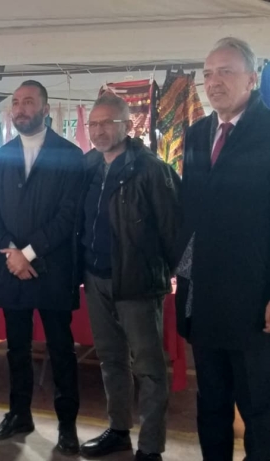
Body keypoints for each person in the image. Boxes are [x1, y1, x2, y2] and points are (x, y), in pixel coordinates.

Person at [177, 37, 270, 461]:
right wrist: (181, 275)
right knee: (211, 405)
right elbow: (191, 213)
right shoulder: (197, 135)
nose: (213, 82)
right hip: (204, 299)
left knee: (256, 409)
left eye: (226, 71)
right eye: (207, 74)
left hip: (255, 302)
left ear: (252, 79)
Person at [0, 80, 84, 453]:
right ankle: (19, 414)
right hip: (12, 270)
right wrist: (13, 252)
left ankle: (67, 426)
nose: (21, 108)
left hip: (52, 270)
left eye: (28, 102)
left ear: (45, 108)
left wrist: (29, 252)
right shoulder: (0, 156)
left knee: (61, 351)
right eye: (16, 102)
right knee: (17, 350)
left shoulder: (70, 155)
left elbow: (69, 214)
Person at [78, 94, 180, 461]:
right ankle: (118, 431)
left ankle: (150, 448)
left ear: (127, 126)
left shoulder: (151, 170)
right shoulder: (89, 165)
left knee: (149, 368)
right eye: (94, 124)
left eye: (108, 122)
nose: (99, 130)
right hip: (96, 278)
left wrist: (167, 276)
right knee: (110, 359)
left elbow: (174, 232)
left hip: (137, 282)